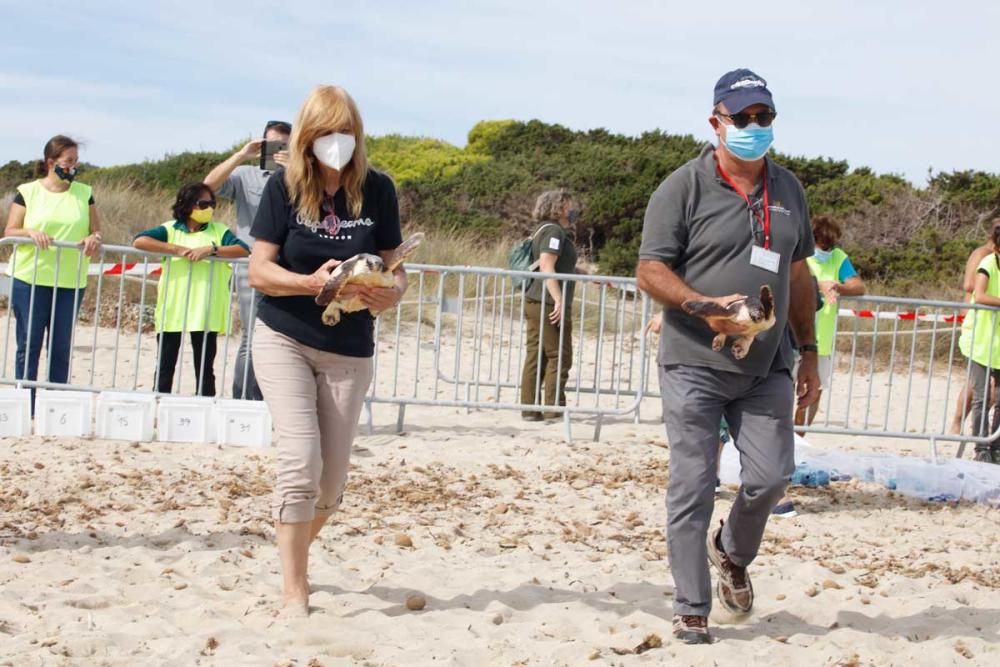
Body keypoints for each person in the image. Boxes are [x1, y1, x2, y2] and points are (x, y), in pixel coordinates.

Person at [636, 69, 819, 644]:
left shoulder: (790, 189)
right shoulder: (682, 186)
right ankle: (692, 605)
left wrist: (809, 352)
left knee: (771, 478)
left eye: (765, 117)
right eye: (743, 118)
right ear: (717, 122)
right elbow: (649, 269)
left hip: (767, 364)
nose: (755, 127)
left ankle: (731, 551)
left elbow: (797, 273)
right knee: (693, 482)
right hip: (694, 358)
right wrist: (699, 306)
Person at [248, 85, 406, 615]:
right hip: (285, 336)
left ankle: (294, 552)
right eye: (325, 134)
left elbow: (397, 269)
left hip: (349, 345)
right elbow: (259, 270)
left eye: (345, 133)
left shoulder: (378, 189)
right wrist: (309, 282)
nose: (336, 144)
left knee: (332, 483)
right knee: (301, 461)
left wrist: (388, 292)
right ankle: (295, 589)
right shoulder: (284, 189)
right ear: (307, 138)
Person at [4, 135, 102, 401]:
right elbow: (10, 230)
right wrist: (30, 232)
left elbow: (96, 231)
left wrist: (94, 238)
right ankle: (26, 402)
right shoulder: (28, 191)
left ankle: (57, 404)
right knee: (29, 344)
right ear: (51, 162)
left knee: (60, 346)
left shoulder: (85, 192)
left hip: (70, 281)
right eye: (68, 161)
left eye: (75, 162)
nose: (73, 167)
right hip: (30, 278)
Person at [204, 120, 292, 401]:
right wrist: (241, 154)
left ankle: (275, 401)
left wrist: (295, 168)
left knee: (286, 338)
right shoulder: (245, 175)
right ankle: (243, 401)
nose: (278, 151)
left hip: (291, 268)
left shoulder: (301, 179)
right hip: (252, 265)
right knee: (252, 337)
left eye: (285, 145)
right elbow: (207, 188)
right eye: (272, 145)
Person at [133, 183, 249, 396]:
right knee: (166, 363)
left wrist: (212, 249)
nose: (209, 208)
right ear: (187, 205)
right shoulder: (169, 229)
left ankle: (205, 405)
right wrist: (177, 249)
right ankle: (159, 401)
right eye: (203, 204)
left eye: (212, 203)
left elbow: (243, 249)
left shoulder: (219, 230)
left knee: (205, 366)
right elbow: (140, 241)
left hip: (206, 307)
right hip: (174, 305)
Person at [794, 215, 866, 426]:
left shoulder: (837, 257)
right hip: (793, 336)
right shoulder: (799, 253)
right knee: (781, 387)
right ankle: (781, 438)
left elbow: (859, 286)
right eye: (821, 244)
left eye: (828, 246)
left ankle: (799, 437)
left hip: (821, 341)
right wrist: (819, 285)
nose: (824, 250)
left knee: (815, 390)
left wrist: (838, 287)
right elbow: (788, 278)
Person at [520, 189, 580, 421]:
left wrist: (581, 273)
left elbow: (553, 265)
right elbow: (547, 265)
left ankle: (529, 409)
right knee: (559, 355)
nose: (573, 208)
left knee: (536, 354)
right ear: (559, 208)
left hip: (535, 298)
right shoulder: (554, 231)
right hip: (546, 300)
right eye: (569, 204)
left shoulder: (543, 230)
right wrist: (558, 299)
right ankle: (554, 408)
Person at [951, 218, 1000, 436]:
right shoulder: (982, 255)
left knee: (987, 389)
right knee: (976, 385)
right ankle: (958, 421)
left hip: (992, 327)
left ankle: (986, 436)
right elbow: (970, 286)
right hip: (976, 322)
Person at [963, 224, 1000, 464]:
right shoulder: (987, 264)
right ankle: (980, 446)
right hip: (980, 341)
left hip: (997, 345)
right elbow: (980, 294)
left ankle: (995, 446)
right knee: (981, 398)